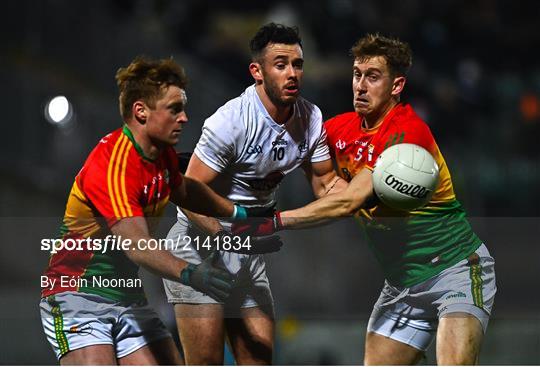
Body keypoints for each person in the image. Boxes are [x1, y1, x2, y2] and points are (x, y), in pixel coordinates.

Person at [237, 34, 497, 365]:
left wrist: (273, 221)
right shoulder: (339, 129)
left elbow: (347, 203)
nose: (360, 85)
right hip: (402, 284)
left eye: (372, 77)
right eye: (357, 74)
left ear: (396, 85)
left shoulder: (407, 134)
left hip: (455, 270)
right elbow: (302, 164)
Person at [39, 56, 260, 365]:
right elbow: (138, 247)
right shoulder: (113, 164)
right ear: (140, 111)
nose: (184, 118)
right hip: (77, 294)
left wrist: (237, 217)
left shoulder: (162, 156)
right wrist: (193, 273)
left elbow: (185, 191)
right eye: (174, 109)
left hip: (126, 296)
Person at [162, 23, 347, 365]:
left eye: (298, 64)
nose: (292, 74)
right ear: (257, 71)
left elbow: (326, 185)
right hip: (198, 246)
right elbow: (187, 196)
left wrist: (374, 188)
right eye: (280, 64)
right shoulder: (231, 122)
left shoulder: (311, 118)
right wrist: (227, 236)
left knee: (260, 360)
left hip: (248, 250)